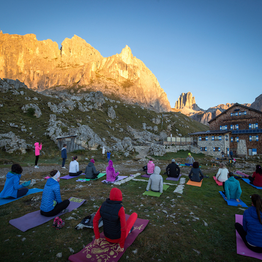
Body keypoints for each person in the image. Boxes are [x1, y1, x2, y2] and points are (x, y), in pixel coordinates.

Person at [93, 188, 138, 252]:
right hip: (118, 238)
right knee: (134, 215)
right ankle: (130, 229)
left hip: (107, 236)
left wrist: (97, 237)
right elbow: (123, 228)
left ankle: (130, 229)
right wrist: (121, 245)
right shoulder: (120, 208)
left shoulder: (103, 205)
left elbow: (95, 220)